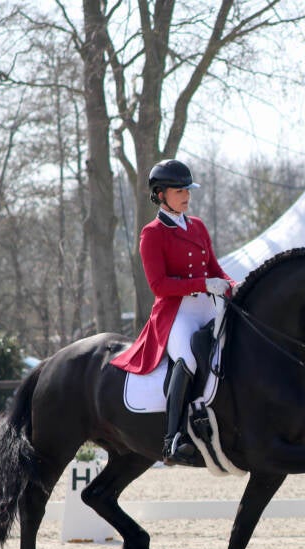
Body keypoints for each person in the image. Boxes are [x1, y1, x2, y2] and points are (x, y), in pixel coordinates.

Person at [111, 159, 235, 466]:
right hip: (176, 312)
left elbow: (215, 269)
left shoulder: (198, 226)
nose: (186, 195)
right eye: (179, 191)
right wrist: (203, 284)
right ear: (160, 194)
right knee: (188, 359)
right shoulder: (152, 233)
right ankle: (173, 438)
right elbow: (159, 285)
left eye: (187, 190)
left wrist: (234, 285)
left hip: (207, 306)